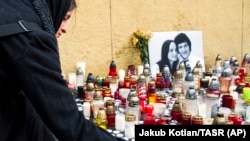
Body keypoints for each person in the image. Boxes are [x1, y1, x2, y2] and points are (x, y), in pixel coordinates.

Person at [0, 0, 123, 141]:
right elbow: (70, 124)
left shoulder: (11, 15)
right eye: (65, 18)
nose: (65, 28)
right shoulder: (30, 39)